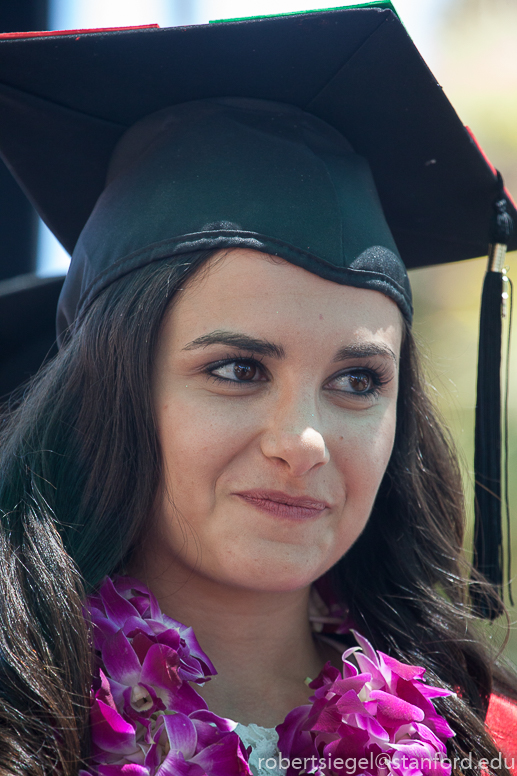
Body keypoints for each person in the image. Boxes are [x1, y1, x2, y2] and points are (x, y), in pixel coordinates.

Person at [1, 4, 517, 776]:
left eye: (356, 380)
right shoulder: (22, 727)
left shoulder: (487, 741)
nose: (303, 441)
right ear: (107, 388)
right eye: (238, 370)